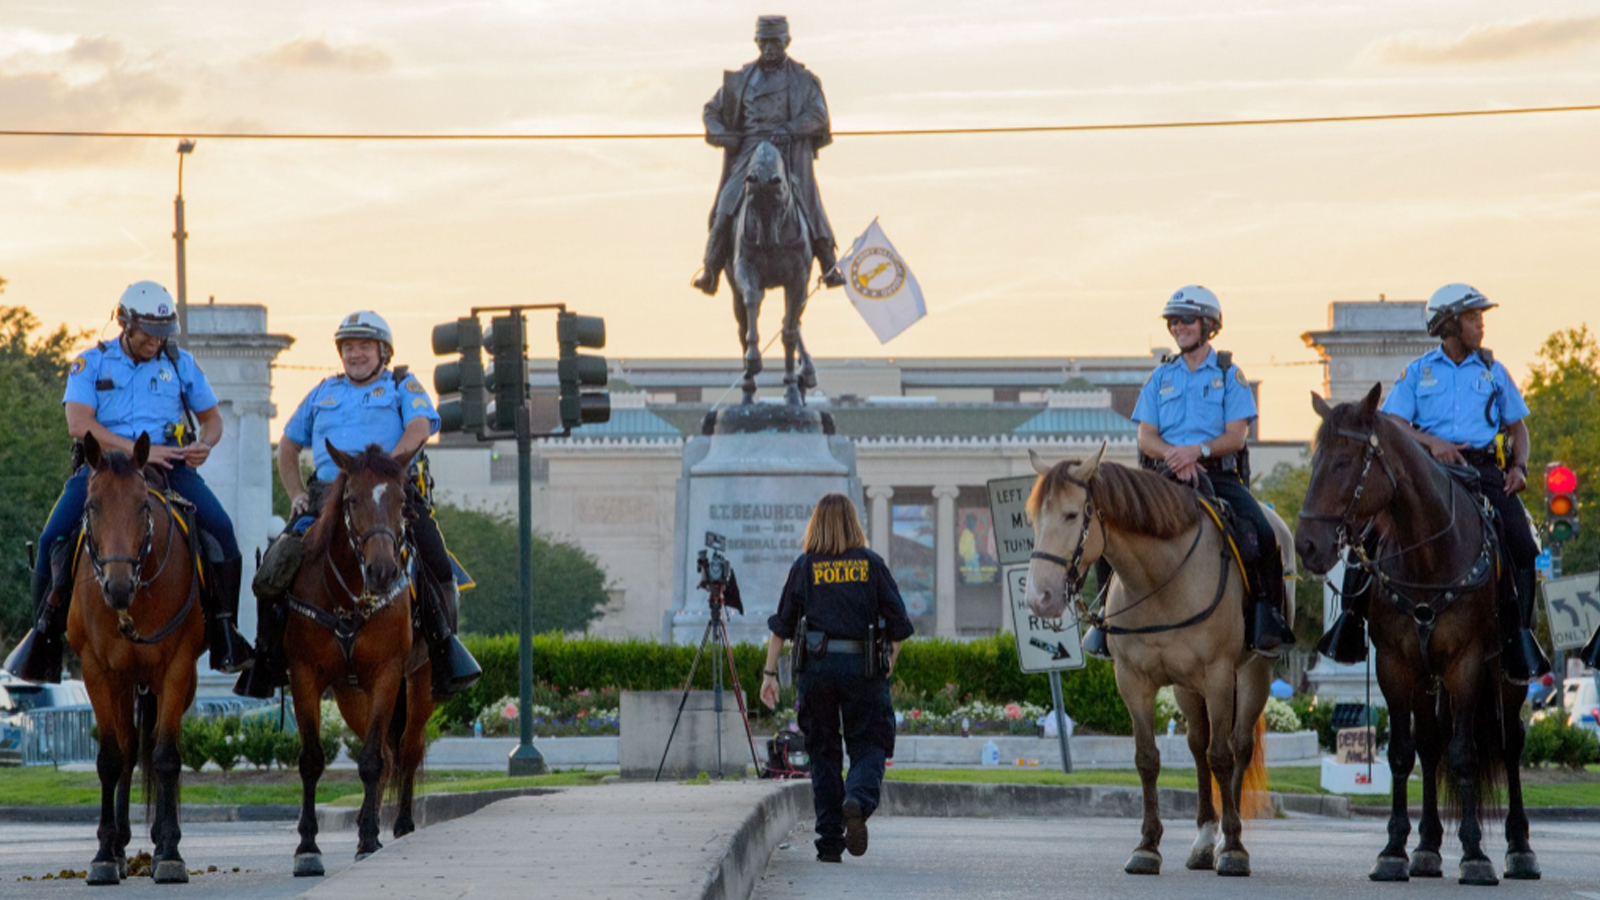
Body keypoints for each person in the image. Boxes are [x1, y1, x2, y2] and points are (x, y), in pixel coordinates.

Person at [3, 281, 254, 682]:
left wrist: (204, 444)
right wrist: (138, 449)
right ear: (125, 324)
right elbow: (78, 423)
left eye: (162, 333)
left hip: (170, 466)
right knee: (53, 537)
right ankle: (44, 637)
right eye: (149, 333)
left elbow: (213, 420)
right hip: (104, 469)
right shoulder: (91, 363)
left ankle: (225, 632)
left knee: (221, 531)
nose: (156, 341)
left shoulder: (180, 363)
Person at [234, 311, 482, 701]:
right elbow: (288, 445)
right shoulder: (321, 393)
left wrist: (382, 471)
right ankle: (267, 659)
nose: (355, 354)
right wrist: (297, 492)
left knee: (436, 559)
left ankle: (444, 651)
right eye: (348, 347)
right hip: (327, 495)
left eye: (364, 346)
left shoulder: (402, 384)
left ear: (383, 350)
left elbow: (419, 429)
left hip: (388, 492)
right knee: (273, 567)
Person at [1318, 283, 1552, 683]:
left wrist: (1521, 467)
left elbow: (1518, 427)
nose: (1481, 325)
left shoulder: (1495, 371)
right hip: (1427, 473)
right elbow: (1392, 422)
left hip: (1483, 472)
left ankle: (1520, 636)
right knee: (1369, 536)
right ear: (1448, 324)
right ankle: (1350, 624)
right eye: (1473, 317)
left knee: (1521, 541)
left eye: (1480, 317)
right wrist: (1433, 443)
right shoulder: (1418, 371)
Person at [1129, 285, 1296, 658]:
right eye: (1173, 320)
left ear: (1209, 325)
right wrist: (1175, 455)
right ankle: (1106, 625)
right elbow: (1146, 436)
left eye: (1186, 319)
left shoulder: (1229, 375)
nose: (1178, 327)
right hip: (1165, 477)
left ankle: (1267, 618)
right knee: (1113, 528)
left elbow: (1236, 435)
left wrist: (1197, 451)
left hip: (1218, 476)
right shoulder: (1160, 378)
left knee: (1263, 533)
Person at [760, 493, 913, 863]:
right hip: (862, 669)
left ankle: (829, 842)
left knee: (823, 752)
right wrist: (889, 659)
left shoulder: (805, 566)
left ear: (816, 524)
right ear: (853, 522)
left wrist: (769, 674)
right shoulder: (871, 565)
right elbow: (899, 626)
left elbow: (782, 625)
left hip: (816, 670)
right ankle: (857, 799)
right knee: (871, 742)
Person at [691, 14, 845, 296]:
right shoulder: (739, 81)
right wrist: (723, 133)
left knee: (810, 205)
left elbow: (818, 115)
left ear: (787, 42)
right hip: (749, 152)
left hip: (787, 154)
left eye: (775, 42)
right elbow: (711, 110)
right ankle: (710, 268)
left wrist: (790, 128)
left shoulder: (804, 80)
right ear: (757, 42)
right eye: (764, 42)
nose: (770, 47)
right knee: (726, 204)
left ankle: (828, 261)